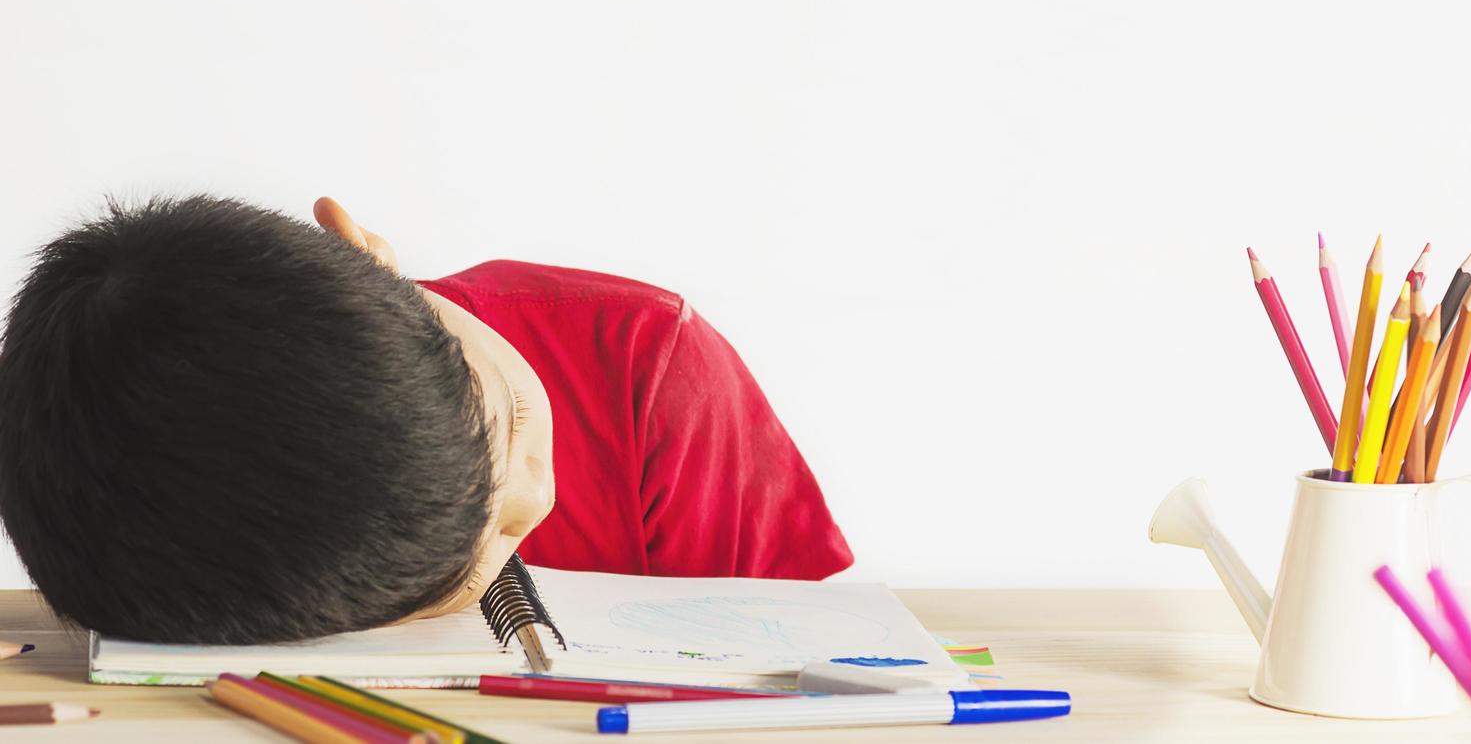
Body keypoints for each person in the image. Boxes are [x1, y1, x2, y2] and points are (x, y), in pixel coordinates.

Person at [0, 194, 851, 644]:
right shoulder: (129, 535)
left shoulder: (645, 360)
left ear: (361, 254)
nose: (538, 503)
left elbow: (786, 661)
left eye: (512, 420)